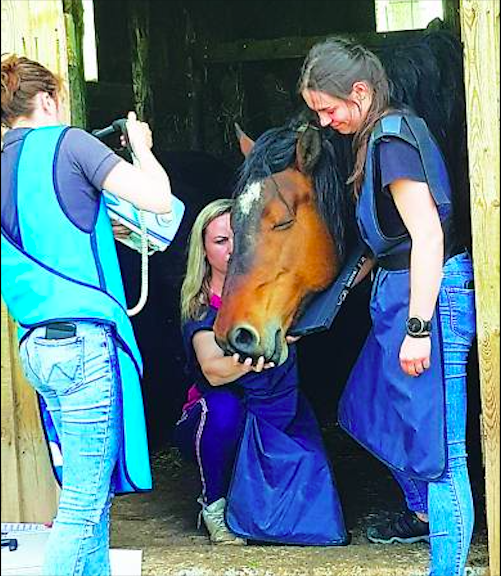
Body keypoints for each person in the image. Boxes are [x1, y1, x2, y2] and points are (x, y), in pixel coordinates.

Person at [299, 37, 476, 576]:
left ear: (359, 92)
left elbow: (426, 236)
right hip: (401, 291)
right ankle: (422, 510)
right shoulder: (375, 138)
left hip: (429, 296)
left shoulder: (393, 139)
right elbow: (388, 245)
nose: (325, 122)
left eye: (328, 109)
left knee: (441, 453)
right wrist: (318, 311)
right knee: (366, 409)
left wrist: (419, 327)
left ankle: (445, 563)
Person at [1, 55, 171, 576]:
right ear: (48, 99)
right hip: (82, 345)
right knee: (81, 505)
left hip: (36, 345)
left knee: (89, 502)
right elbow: (159, 202)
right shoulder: (70, 142)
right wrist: (141, 149)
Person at [175, 198, 348, 546]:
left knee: (318, 514)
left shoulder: (275, 289)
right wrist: (264, 351)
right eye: (220, 241)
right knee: (223, 410)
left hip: (277, 405)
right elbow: (213, 371)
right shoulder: (199, 302)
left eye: (239, 236)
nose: (232, 249)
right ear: (204, 250)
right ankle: (213, 504)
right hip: (220, 414)